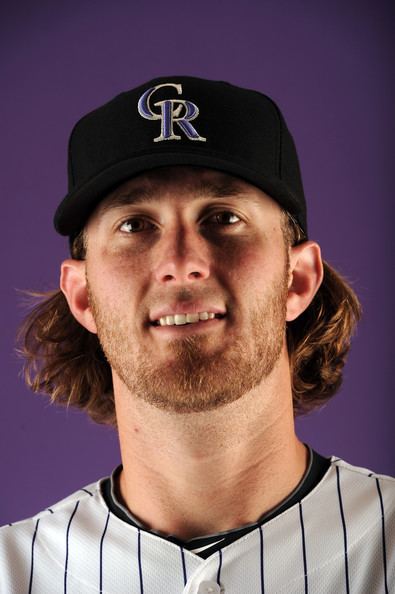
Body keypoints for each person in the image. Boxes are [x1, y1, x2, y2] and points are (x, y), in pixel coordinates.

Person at [1, 76, 393, 593]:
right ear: (82, 296)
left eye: (223, 217)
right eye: (135, 225)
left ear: (297, 280)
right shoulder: (14, 573)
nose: (182, 263)